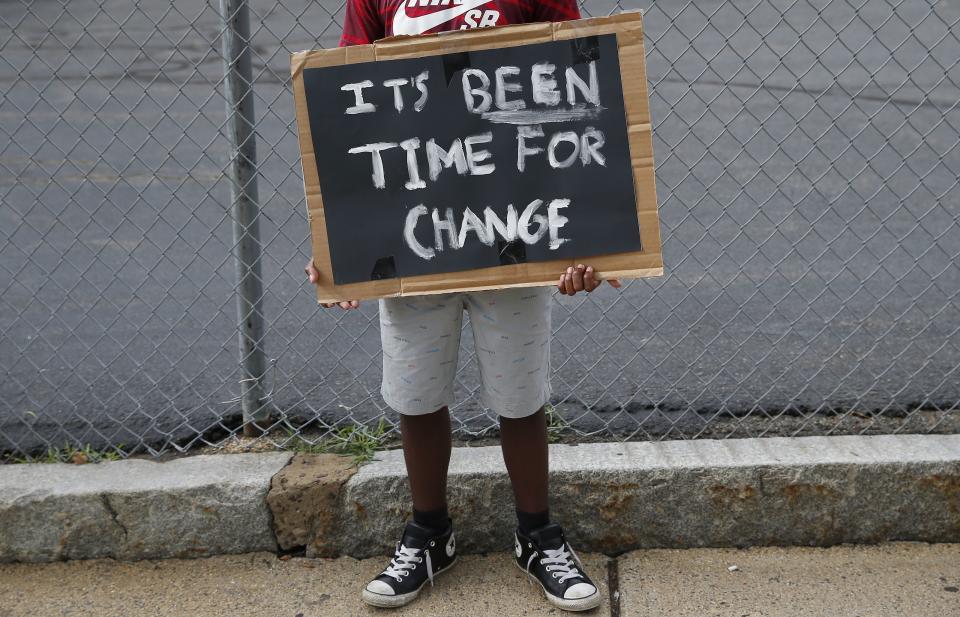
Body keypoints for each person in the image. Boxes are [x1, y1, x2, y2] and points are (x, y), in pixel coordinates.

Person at [305, 0, 622, 611]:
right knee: (418, 394)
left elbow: (584, 83)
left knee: (520, 394)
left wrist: (588, 240)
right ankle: (429, 533)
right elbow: (344, 101)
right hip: (414, 234)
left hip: (516, 230)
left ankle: (537, 534)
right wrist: (342, 245)